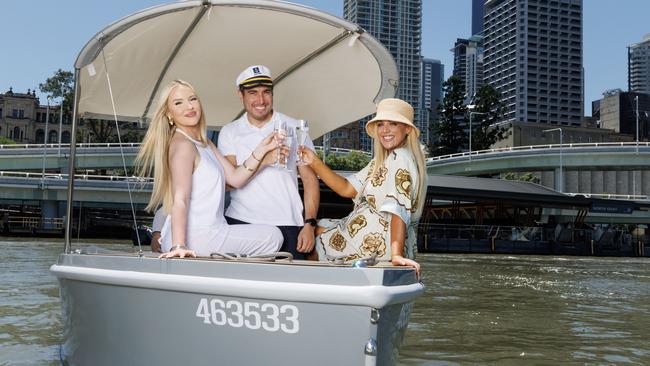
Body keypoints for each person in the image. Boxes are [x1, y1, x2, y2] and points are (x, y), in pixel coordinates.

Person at [135, 79, 283, 258]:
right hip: (198, 236)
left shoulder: (204, 143)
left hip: (211, 231)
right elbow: (179, 199)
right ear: (169, 114)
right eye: (178, 103)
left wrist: (262, 149)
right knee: (273, 237)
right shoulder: (183, 144)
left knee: (271, 235)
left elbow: (236, 178)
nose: (189, 106)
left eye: (192, 99)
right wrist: (179, 246)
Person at [299, 98, 426, 275]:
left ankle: (314, 288)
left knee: (310, 235)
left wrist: (396, 255)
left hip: (374, 241)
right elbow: (346, 188)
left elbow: (398, 209)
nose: (385, 130)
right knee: (317, 226)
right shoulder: (384, 160)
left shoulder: (399, 158)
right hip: (368, 234)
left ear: (407, 129)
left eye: (393, 124)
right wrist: (314, 161)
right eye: (381, 124)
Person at [218, 65, 320, 259]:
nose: (260, 100)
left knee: (290, 287)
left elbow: (310, 180)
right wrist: (265, 160)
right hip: (241, 222)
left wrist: (309, 224)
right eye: (252, 93)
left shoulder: (294, 127)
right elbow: (229, 182)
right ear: (241, 95)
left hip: (289, 224)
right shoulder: (229, 132)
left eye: (266, 92)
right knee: (241, 286)